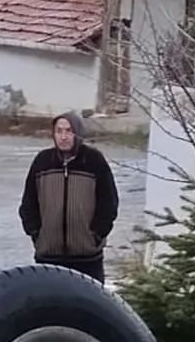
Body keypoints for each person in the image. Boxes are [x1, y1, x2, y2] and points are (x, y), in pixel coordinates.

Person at [18, 112, 119, 276]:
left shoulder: (94, 160)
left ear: (77, 133)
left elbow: (109, 203)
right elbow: (28, 204)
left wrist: (96, 234)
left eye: (68, 131)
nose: (63, 137)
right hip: (48, 258)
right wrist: (37, 234)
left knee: (88, 302)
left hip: (87, 258)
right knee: (50, 302)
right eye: (59, 131)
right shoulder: (42, 161)